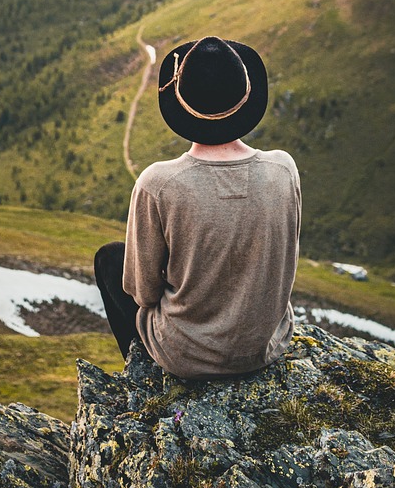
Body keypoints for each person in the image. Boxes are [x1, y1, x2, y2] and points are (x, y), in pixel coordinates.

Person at [94, 35, 301, 379]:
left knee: (109, 259)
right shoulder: (283, 169)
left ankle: (143, 374)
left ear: (181, 101)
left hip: (185, 358)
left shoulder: (157, 183)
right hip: (267, 347)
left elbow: (142, 292)